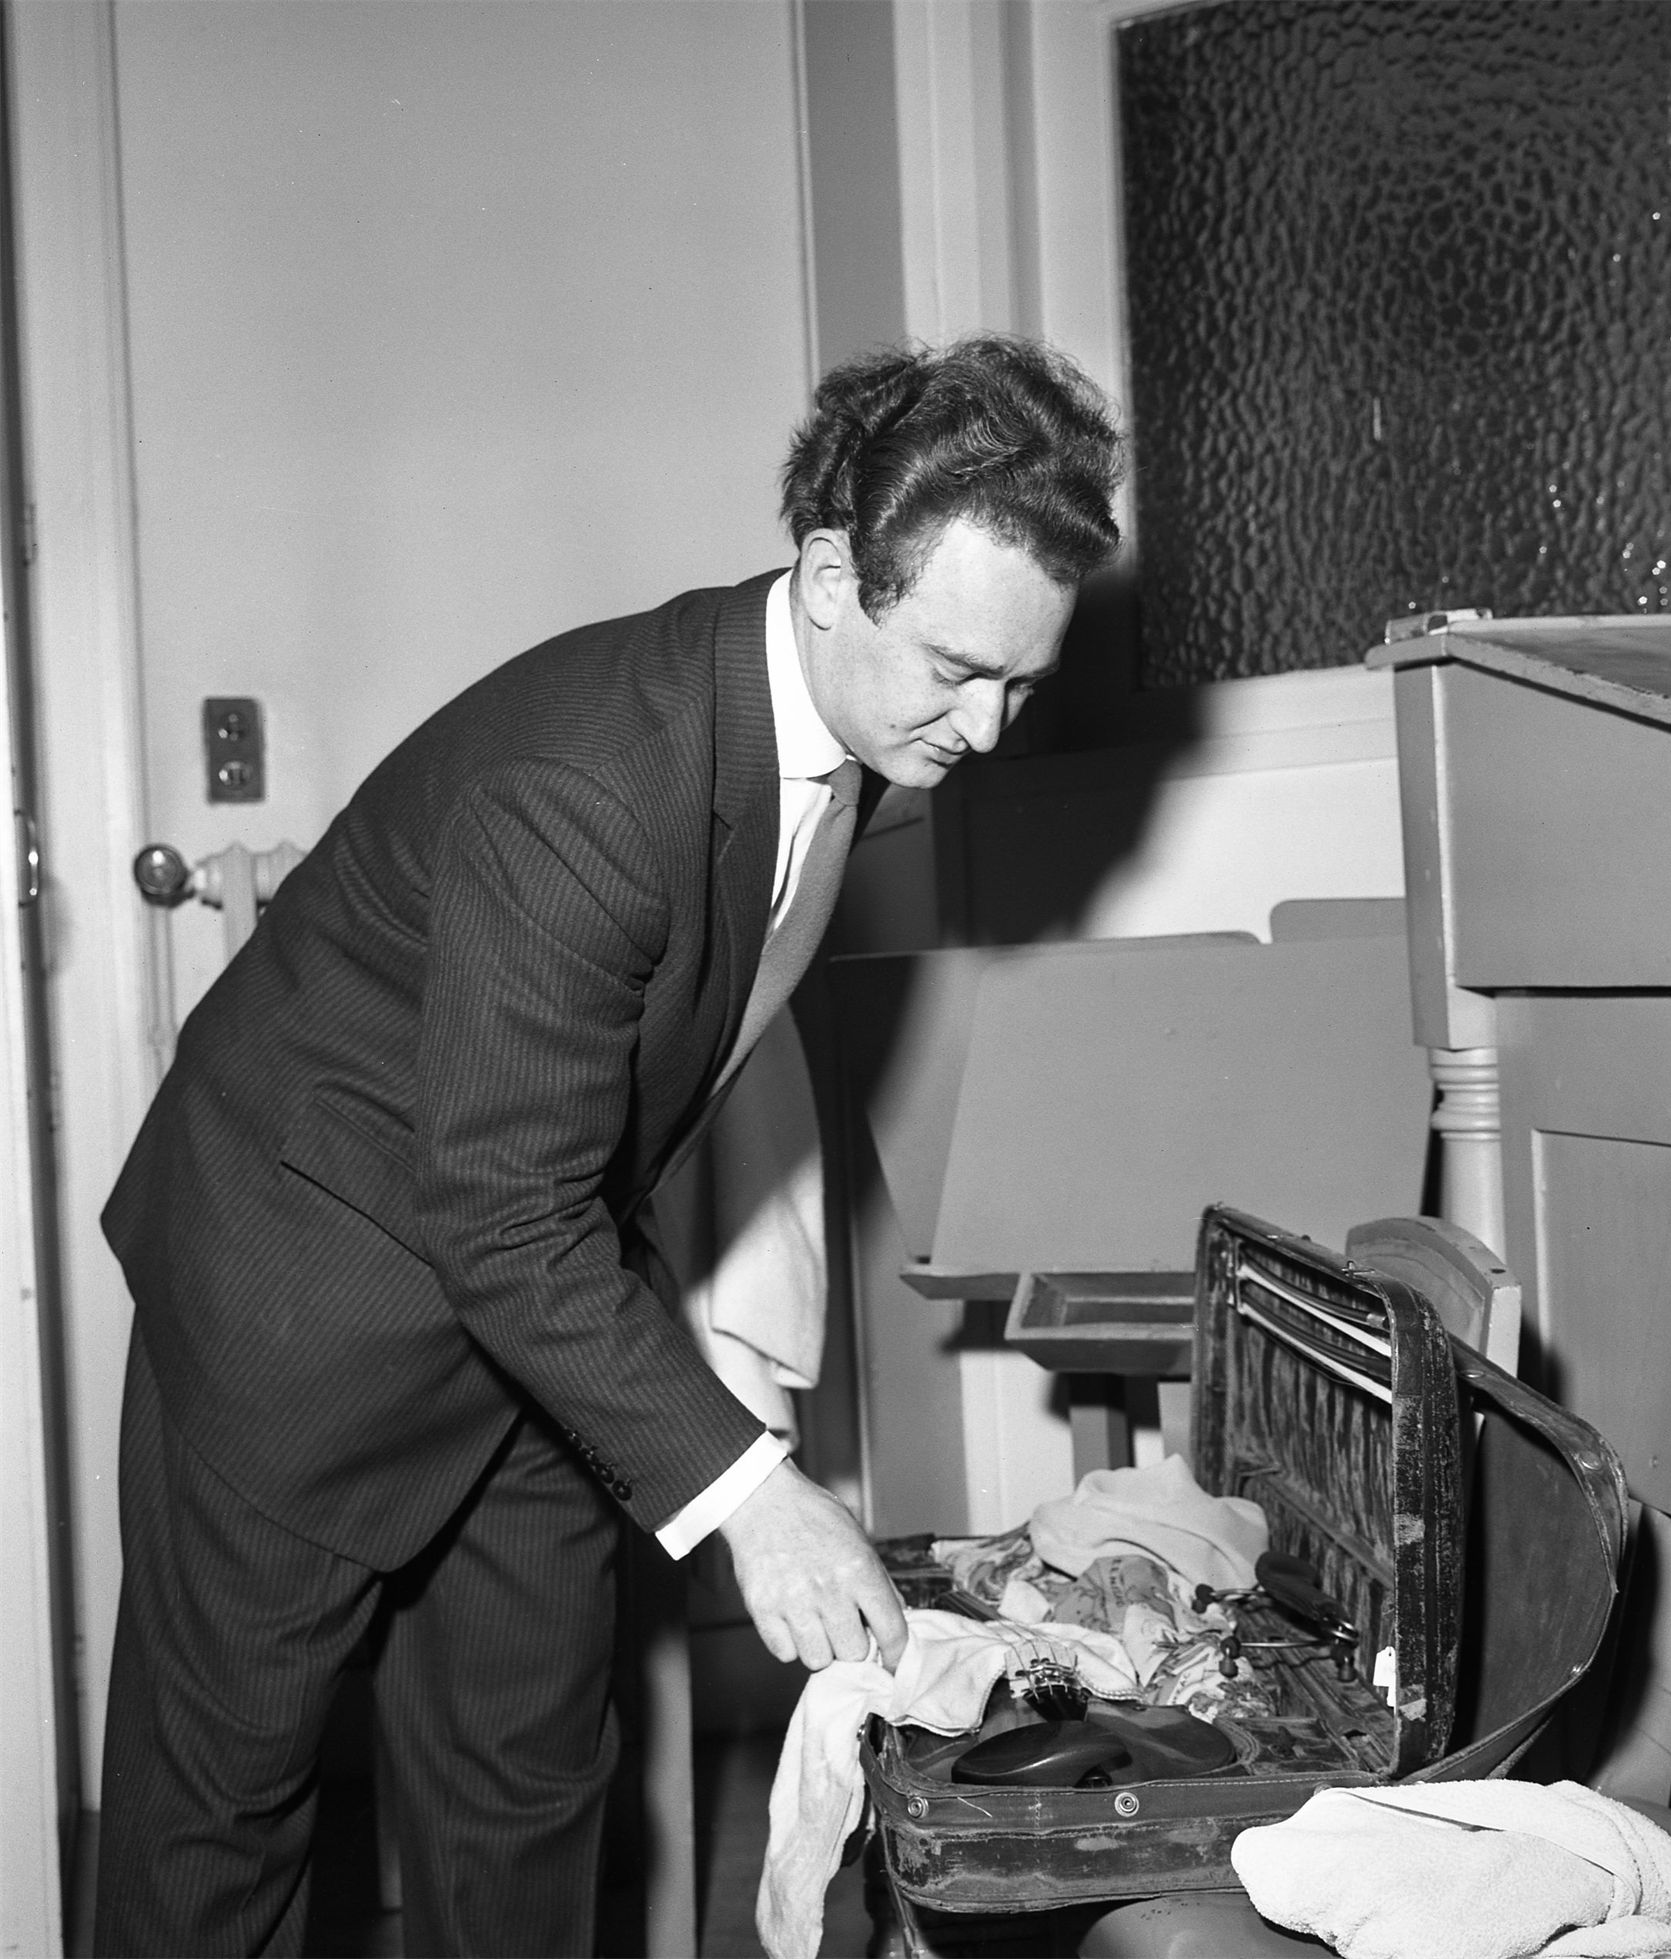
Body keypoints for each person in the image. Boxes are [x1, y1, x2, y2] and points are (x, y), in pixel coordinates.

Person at [92, 333, 1125, 1957]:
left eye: (1022, 684)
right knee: (218, 1822)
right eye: (956, 669)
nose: (988, 732)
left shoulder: (847, 725)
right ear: (832, 577)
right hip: (305, 1281)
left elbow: (544, 1180)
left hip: (533, 1289)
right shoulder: (588, 781)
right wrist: (754, 1493)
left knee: (528, 1783)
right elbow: (499, 1207)